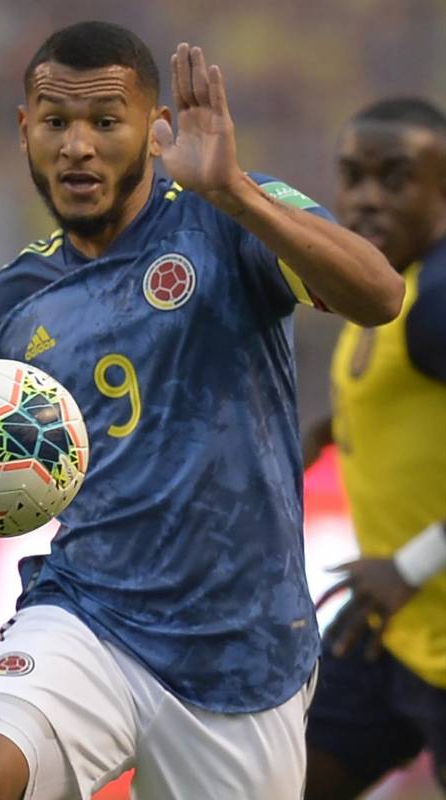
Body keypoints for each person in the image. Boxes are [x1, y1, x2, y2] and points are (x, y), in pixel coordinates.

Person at [0, 21, 402, 799]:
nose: (77, 145)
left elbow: (378, 293)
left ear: (154, 127)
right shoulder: (5, 308)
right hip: (85, 617)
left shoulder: (224, 213)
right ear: (23, 128)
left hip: (241, 656)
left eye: (105, 121)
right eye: (56, 121)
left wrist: (232, 191)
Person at [301, 98, 446, 798]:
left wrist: (410, 565)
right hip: (394, 629)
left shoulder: (439, 299)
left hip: (415, 599)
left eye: (394, 179)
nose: (365, 199)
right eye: (352, 176)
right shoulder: (384, 287)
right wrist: (325, 429)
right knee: (280, 779)